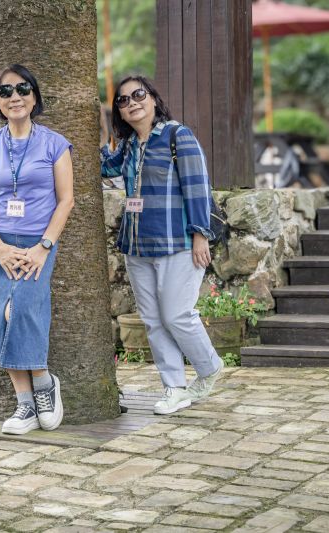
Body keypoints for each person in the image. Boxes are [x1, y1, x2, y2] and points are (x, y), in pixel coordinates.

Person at [101, 75, 224, 415]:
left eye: (138, 94)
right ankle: (174, 388)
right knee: (154, 321)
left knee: (177, 315)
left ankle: (209, 366)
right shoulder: (128, 146)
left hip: (177, 242)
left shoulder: (176, 135)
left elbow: (197, 185)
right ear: (119, 112)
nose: (131, 102)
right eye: (123, 100)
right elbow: (103, 166)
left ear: (153, 98)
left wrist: (200, 234)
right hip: (137, 246)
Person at [0, 64, 74, 435]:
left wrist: (44, 247)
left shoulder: (55, 144)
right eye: (5, 91)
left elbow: (66, 200)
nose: (14, 96)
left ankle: (43, 382)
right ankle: (25, 404)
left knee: (23, 309)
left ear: (34, 96)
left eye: (22, 88)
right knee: (0, 315)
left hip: (36, 244)